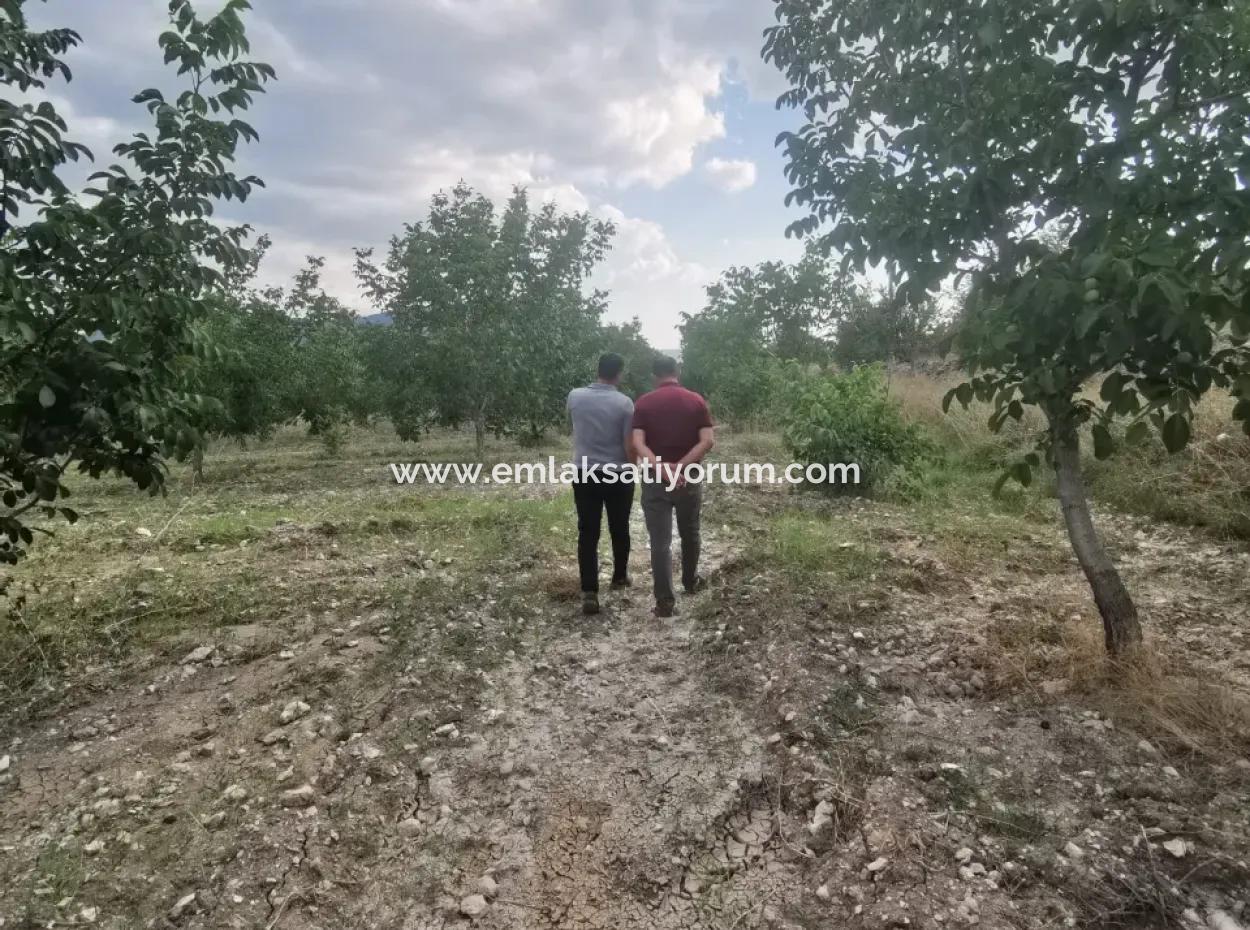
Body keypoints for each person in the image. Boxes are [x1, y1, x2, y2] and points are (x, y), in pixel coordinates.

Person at [631, 356, 715, 618]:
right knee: (690, 531)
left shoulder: (643, 403)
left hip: (656, 479)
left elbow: (638, 444)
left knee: (660, 541)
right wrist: (680, 466)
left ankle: (665, 601)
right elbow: (708, 441)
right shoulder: (696, 401)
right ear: (677, 372)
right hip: (688, 476)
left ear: (655, 376)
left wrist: (661, 467)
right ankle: (690, 582)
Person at [566, 352, 636, 615]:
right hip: (618, 472)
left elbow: (572, 426)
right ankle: (619, 576)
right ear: (619, 373)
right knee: (619, 527)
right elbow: (629, 444)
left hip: (585, 472)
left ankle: (589, 592)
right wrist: (634, 469)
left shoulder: (575, 396)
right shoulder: (625, 403)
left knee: (588, 532)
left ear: (598, 370)